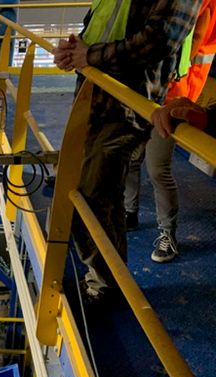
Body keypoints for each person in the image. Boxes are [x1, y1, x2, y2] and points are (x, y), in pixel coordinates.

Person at [51, 1, 199, 304]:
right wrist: (76, 48)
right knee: (103, 196)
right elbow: (101, 24)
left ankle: (106, 286)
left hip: (128, 107)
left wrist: (88, 55)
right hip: (94, 97)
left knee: (86, 198)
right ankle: (110, 281)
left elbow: (159, 38)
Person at [124, 0, 216, 263]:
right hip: (145, 90)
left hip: (172, 97)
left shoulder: (201, 4)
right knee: (131, 157)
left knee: (157, 169)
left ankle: (168, 234)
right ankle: (129, 212)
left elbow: (189, 42)